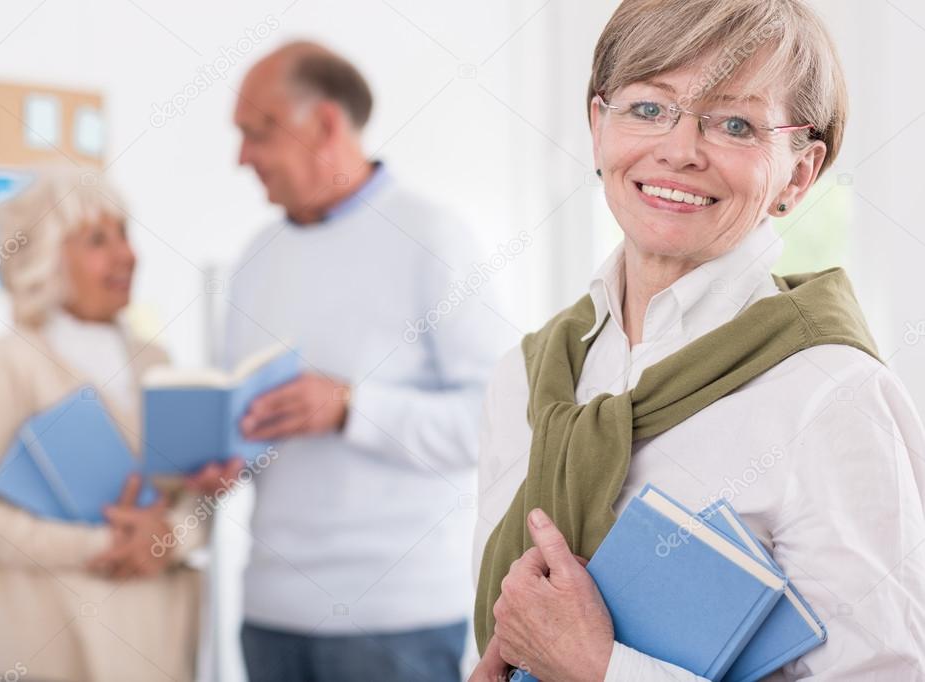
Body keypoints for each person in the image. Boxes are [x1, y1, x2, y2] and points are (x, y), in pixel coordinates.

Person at [470, 0, 925, 680]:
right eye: (648, 109)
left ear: (797, 175)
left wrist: (599, 668)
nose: (679, 151)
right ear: (597, 127)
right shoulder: (529, 376)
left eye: (736, 124)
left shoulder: (831, 397)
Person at [219, 41, 509, 681]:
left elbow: (495, 423)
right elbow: (237, 420)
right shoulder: (253, 261)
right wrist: (213, 456)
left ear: (324, 124)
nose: (241, 158)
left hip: (393, 620)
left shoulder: (432, 238)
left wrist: (353, 406)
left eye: (256, 133)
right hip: (270, 613)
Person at [0, 170, 212, 681]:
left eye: (125, 235)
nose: (127, 255)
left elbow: (194, 499)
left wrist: (167, 538)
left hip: (157, 651)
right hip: (56, 658)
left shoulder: (157, 362)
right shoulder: (8, 365)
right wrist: (100, 546)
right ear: (47, 257)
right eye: (98, 240)